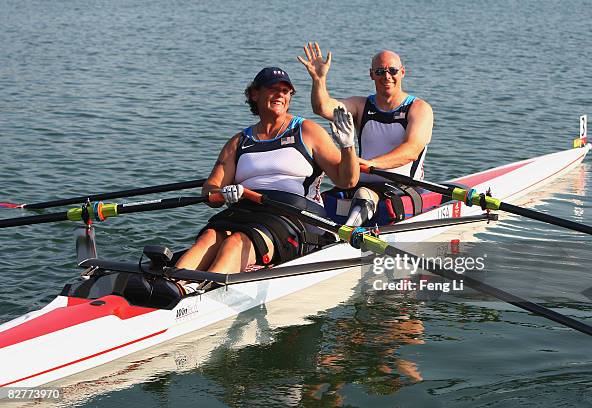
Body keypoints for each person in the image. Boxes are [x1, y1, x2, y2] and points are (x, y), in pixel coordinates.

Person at [175, 67, 359, 274]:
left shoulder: (307, 131)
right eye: (273, 88)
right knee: (209, 236)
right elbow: (210, 190)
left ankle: (197, 293)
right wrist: (222, 194)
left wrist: (347, 146)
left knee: (237, 241)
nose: (280, 94)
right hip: (244, 212)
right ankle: (174, 286)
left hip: (296, 219)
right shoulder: (239, 142)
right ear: (254, 94)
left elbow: (347, 181)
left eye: (286, 90)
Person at [298, 43, 434, 226]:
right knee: (326, 199)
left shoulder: (419, 109)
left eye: (392, 70)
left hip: (402, 187)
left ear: (402, 72)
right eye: (380, 72)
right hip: (361, 182)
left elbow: (411, 150)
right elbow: (323, 108)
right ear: (371, 75)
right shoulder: (361, 106)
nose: (387, 76)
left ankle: (345, 236)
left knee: (363, 195)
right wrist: (319, 80)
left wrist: (372, 163)